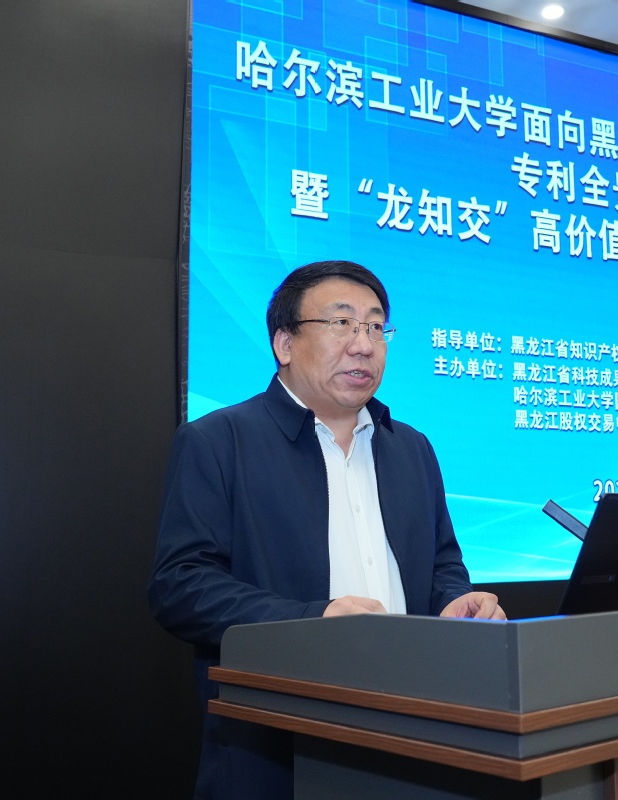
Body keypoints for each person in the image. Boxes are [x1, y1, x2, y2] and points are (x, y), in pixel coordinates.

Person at [148, 260, 505, 799]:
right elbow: (180, 585)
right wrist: (313, 621)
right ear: (284, 344)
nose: (363, 345)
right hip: (279, 749)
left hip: (418, 734)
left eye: (375, 327)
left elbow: (442, 563)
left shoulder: (412, 448)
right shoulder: (219, 441)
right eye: (341, 324)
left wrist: (455, 601)